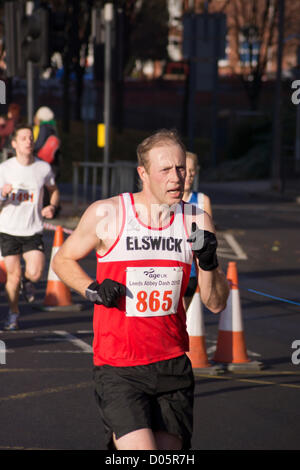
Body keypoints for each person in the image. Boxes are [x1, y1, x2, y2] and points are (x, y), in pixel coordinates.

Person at [52, 128, 229, 451]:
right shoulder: (109, 213)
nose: (177, 177)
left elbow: (215, 304)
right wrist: (91, 288)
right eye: (165, 170)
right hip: (119, 365)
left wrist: (209, 262)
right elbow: (63, 260)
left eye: (180, 168)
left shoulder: (197, 220)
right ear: (143, 173)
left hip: (172, 362)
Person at [0, 125, 60, 331]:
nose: (29, 141)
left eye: (31, 138)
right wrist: (3, 195)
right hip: (8, 230)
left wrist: (52, 206)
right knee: (12, 276)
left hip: (32, 230)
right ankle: (13, 314)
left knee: (35, 273)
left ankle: (28, 282)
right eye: (24, 138)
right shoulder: (5, 169)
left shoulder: (43, 168)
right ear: (14, 143)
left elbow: (53, 190)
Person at [182, 151, 213, 310]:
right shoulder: (161, 201)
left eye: (192, 171)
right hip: (167, 269)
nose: (189, 175)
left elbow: (208, 239)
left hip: (192, 272)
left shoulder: (202, 200)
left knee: (179, 317)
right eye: (184, 170)